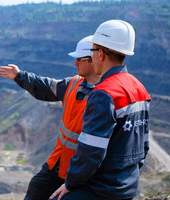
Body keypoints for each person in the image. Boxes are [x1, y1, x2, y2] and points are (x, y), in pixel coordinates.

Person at [50, 20, 151, 200]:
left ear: (101, 54)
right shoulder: (139, 88)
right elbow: (143, 146)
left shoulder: (104, 94)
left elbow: (90, 153)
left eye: (93, 51)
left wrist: (70, 183)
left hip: (101, 189)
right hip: (127, 185)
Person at [0, 35, 101, 200]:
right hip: (57, 164)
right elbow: (46, 87)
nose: (75, 63)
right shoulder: (73, 83)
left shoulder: (106, 95)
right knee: (37, 188)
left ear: (93, 60)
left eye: (79, 59)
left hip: (81, 172)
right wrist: (19, 76)